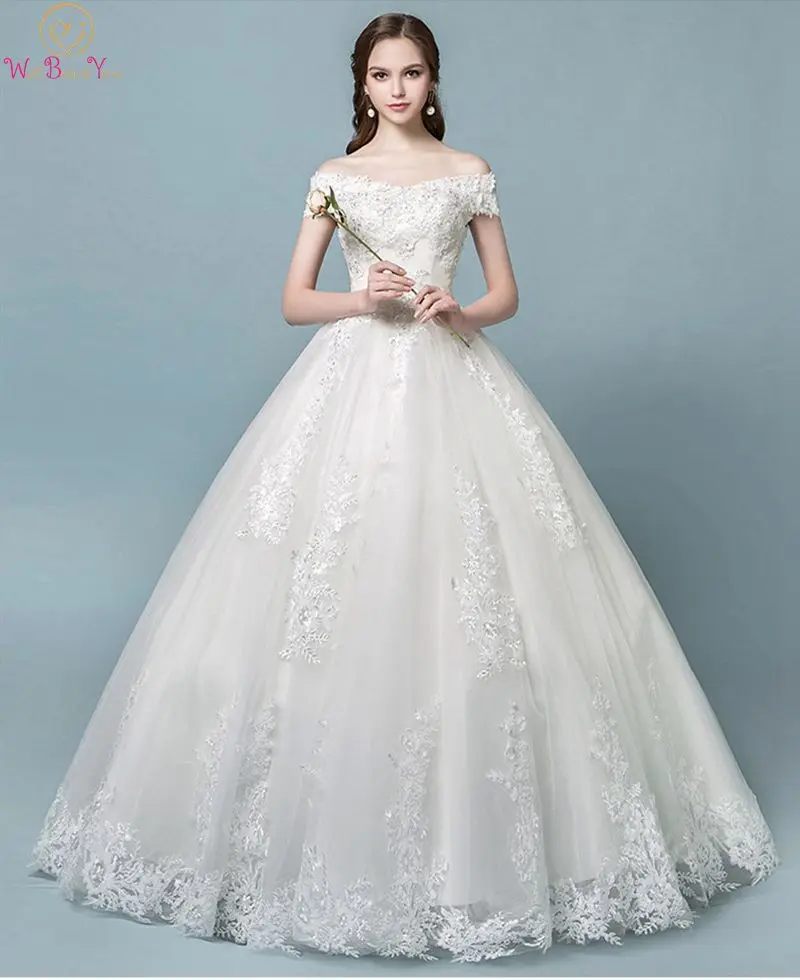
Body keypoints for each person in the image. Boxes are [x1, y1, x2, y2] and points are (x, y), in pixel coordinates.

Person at [29, 10, 779, 965]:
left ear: (433, 80)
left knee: (485, 587)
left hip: (452, 374)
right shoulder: (334, 179)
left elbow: (506, 293)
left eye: (412, 72)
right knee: (330, 584)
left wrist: (456, 309)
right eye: (381, 74)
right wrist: (365, 299)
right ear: (362, 84)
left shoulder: (468, 171)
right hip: (347, 385)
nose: (396, 89)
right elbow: (294, 300)